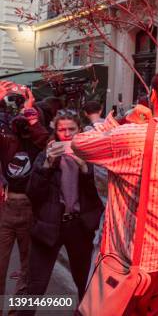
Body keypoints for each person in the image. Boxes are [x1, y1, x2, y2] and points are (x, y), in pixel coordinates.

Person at [72, 69, 158, 314]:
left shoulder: (130, 135)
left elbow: (79, 144)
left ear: (153, 95)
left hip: (131, 264)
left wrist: (125, 120)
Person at [25, 113, 102, 301]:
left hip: (78, 227)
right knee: (35, 284)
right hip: (49, 225)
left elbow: (98, 196)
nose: (66, 134)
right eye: (61, 130)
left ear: (80, 130)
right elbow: (33, 193)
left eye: (71, 129)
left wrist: (85, 169)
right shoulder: (46, 155)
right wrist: (46, 165)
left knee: (84, 281)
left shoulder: (91, 157)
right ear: (56, 132)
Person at [0, 82, 48, 303]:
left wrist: (30, 114)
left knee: (29, 269)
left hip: (31, 206)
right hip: (6, 205)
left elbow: (47, 143)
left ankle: (18, 310)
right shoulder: (5, 133)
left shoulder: (36, 129)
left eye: (22, 103)